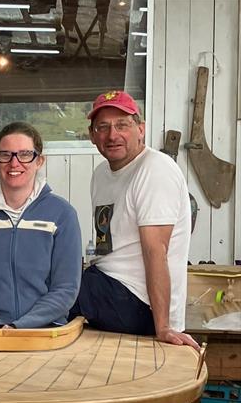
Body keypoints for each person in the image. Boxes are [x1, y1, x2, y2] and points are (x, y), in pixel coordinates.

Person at [69, 90, 199, 349]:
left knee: (47, 289)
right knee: (48, 278)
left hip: (140, 302)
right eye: (102, 127)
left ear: (141, 129)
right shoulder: (102, 174)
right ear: (92, 135)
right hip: (109, 285)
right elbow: (105, 242)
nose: (112, 135)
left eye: (122, 125)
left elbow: (156, 251)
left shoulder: (154, 170)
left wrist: (163, 326)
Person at [0, 122, 81, 329]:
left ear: (40, 161)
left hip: (45, 330)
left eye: (25, 154)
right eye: (5, 155)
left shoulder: (62, 214)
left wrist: (19, 327)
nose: (14, 163)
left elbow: (66, 288)